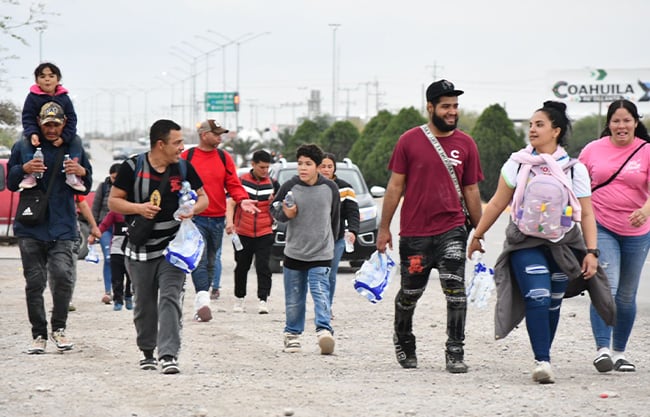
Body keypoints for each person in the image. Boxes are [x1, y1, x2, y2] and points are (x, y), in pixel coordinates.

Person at [468, 100, 614, 384]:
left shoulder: (575, 169)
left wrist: (592, 252)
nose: (532, 130)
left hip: (564, 245)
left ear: (556, 131)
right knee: (538, 295)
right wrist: (478, 234)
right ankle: (542, 360)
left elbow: (586, 213)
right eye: (531, 125)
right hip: (524, 243)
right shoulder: (517, 164)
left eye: (539, 125)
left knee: (553, 302)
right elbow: (498, 203)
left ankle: (544, 354)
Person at [377, 79, 483, 373]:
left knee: (455, 289)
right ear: (430, 107)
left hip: (452, 228)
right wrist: (384, 228)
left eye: (455, 106)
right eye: (446, 106)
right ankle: (404, 338)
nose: (452, 112)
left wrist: (479, 231)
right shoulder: (409, 141)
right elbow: (395, 186)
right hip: (414, 233)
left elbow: (472, 190)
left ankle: (455, 351)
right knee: (410, 293)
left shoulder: (466, 144)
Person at [108, 119, 208, 374]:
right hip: (140, 248)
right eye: (177, 143)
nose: (182, 148)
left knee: (170, 297)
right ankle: (147, 350)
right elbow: (114, 202)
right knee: (144, 304)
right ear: (160, 144)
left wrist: (191, 209)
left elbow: (204, 198)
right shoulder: (132, 167)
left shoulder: (184, 168)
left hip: (173, 248)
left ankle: (168, 355)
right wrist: (139, 208)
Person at [7, 101, 93, 354]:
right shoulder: (23, 146)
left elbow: (85, 185)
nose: (52, 129)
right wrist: (23, 168)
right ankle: (39, 335)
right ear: (41, 124)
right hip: (31, 226)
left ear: (63, 123)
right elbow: (11, 183)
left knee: (63, 278)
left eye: (56, 124)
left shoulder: (73, 148)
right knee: (34, 283)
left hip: (64, 226)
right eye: (48, 125)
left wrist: (81, 171)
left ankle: (59, 328)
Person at [578, 99, 650, 373]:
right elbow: (578, 183)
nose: (622, 126)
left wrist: (645, 210)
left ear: (635, 122)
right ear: (608, 124)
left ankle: (620, 352)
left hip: (638, 231)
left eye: (627, 120)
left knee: (627, 296)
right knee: (606, 288)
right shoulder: (592, 150)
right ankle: (602, 349)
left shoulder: (646, 151)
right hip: (601, 226)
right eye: (616, 121)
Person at [180, 120, 258, 321]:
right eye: (216, 134)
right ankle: (203, 301)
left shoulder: (224, 158)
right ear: (204, 135)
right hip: (194, 217)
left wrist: (242, 200)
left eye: (221, 134)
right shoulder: (187, 157)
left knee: (212, 261)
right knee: (201, 259)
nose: (220, 138)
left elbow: (233, 184)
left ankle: (203, 296)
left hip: (216, 219)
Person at [270, 144, 340, 355]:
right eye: (300, 163)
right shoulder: (290, 186)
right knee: (294, 298)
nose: (303, 168)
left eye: (308, 164)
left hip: (321, 252)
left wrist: (331, 243)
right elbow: (274, 209)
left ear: (318, 167)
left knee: (320, 292)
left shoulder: (330, 188)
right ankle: (292, 335)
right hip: (294, 251)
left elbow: (335, 218)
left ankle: (324, 331)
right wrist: (286, 214)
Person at [226, 150, 279, 314]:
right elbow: (231, 203)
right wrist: (230, 223)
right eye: (262, 167)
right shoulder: (240, 182)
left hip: (265, 231)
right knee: (242, 266)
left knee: (263, 266)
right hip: (243, 231)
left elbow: (279, 206)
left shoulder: (273, 183)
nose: (265, 170)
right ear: (253, 164)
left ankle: (263, 299)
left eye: (267, 167)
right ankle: (239, 298)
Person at [19, 62, 84, 192]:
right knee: (24, 140)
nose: (47, 79)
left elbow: (72, 119)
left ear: (58, 79)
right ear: (37, 80)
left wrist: (64, 138)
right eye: (42, 76)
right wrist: (33, 134)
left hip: (63, 140)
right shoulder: (32, 97)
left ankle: (71, 173)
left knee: (76, 140)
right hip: (37, 137)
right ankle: (31, 173)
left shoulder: (64, 98)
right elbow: (28, 117)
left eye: (51, 76)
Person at [318, 152, 360, 312]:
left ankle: (326, 307)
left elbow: (353, 212)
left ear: (334, 168)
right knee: (317, 274)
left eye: (329, 166)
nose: (326, 170)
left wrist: (353, 231)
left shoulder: (346, 188)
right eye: (323, 166)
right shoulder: (311, 185)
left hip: (337, 238)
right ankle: (319, 304)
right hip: (315, 239)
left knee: (330, 273)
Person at [89, 209, 132, 311]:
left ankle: (129, 296)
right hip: (116, 250)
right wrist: (94, 235)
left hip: (131, 250)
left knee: (131, 277)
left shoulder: (137, 208)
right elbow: (104, 225)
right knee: (117, 277)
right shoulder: (115, 212)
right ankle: (118, 300)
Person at [92, 163, 121, 304]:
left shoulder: (128, 187)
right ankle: (108, 291)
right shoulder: (103, 187)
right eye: (113, 177)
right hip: (105, 227)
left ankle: (126, 290)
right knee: (109, 258)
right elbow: (95, 207)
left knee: (125, 260)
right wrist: (94, 227)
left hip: (122, 228)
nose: (116, 180)